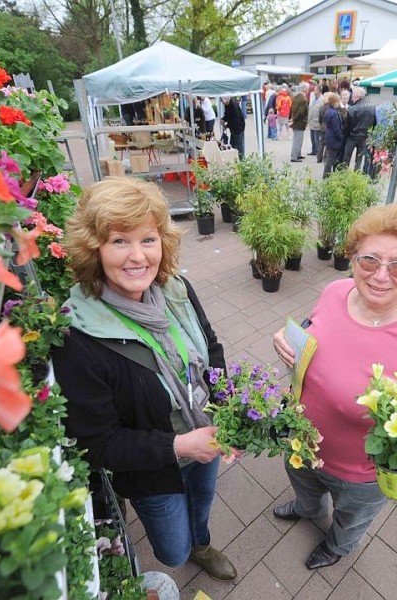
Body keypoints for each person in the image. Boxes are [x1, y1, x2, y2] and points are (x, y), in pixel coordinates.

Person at [52, 177, 237, 581]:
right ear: (94, 249)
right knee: (172, 551)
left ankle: (202, 545)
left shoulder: (176, 290)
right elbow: (97, 442)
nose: (138, 257)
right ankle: (184, 546)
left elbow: (211, 350)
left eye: (148, 240)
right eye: (119, 241)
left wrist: (229, 407)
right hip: (153, 467)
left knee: (202, 503)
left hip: (205, 437)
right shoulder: (78, 337)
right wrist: (179, 444)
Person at [271, 203, 397, 570]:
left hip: (359, 475)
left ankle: (337, 547)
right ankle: (307, 508)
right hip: (300, 440)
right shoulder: (335, 292)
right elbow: (314, 334)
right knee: (304, 488)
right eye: (369, 260)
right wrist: (287, 341)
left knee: (350, 519)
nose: (380, 276)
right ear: (353, 258)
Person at [343, 86, 377, 171]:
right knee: (359, 159)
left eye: (353, 94)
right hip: (364, 137)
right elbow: (374, 123)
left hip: (352, 137)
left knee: (346, 158)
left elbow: (347, 125)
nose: (352, 96)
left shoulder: (352, 109)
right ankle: (356, 174)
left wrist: (346, 135)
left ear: (357, 96)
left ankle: (344, 173)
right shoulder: (372, 108)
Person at [322, 92, 345, 178]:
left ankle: (326, 176)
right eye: (338, 101)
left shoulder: (329, 110)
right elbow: (336, 128)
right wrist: (341, 137)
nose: (339, 103)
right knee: (330, 160)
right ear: (335, 102)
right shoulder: (334, 113)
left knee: (329, 158)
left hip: (329, 138)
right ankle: (326, 177)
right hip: (334, 139)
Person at [220, 95, 245, 159]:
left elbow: (235, 119)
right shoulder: (227, 104)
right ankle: (234, 158)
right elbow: (227, 115)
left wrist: (227, 125)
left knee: (239, 147)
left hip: (238, 128)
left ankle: (241, 160)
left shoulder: (234, 105)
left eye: (224, 102)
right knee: (232, 145)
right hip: (233, 128)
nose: (223, 103)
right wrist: (223, 119)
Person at [290, 82, 309, 162]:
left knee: (297, 139)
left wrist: (292, 118)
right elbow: (301, 112)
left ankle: (298, 154)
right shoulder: (303, 99)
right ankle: (294, 156)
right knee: (298, 140)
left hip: (296, 122)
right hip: (300, 122)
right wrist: (294, 119)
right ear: (306, 89)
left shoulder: (296, 97)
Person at [307, 83, 324, 156]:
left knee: (317, 138)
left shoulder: (322, 99)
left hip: (317, 122)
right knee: (312, 138)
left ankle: (318, 152)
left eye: (315, 90)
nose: (314, 91)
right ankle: (313, 150)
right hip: (311, 121)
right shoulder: (313, 98)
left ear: (319, 91)